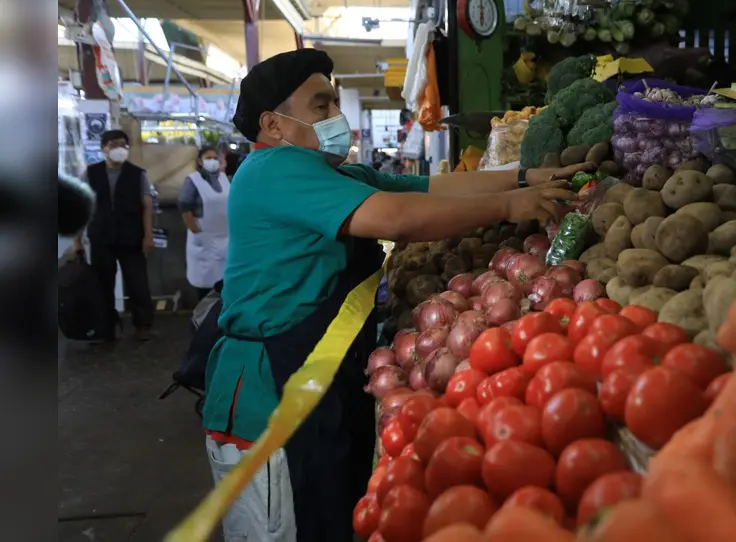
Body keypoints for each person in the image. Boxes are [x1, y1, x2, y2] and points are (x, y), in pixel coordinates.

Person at [202, 48, 588, 542]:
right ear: (272, 125)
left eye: (334, 104)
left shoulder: (333, 173)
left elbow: (427, 188)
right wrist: (511, 204)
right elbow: (399, 219)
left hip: (314, 380)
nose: (335, 117)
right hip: (272, 401)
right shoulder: (273, 169)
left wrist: (522, 176)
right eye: (321, 106)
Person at [73, 130, 155, 343]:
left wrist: (148, 235)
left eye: (123, 144)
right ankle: (106, 326)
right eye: (113, 144)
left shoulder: (138, 174)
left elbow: (147, 206)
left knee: (138, 283)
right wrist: (76, 239)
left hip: (132, 237)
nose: (119, 148)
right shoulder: (90, 174)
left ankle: (142, 325)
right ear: (103, 148)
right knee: (102, 284)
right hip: (101, 237)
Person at [179, 147, 230, 302]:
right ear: (200, 161)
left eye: (215, 158)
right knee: (206, 290)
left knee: (226, 285)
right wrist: (196, 231)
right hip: (204, 240)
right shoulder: (193, 180)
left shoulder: (224, 178)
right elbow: (185, 207)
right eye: (208, 158)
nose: (213, 161)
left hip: (226, 240)